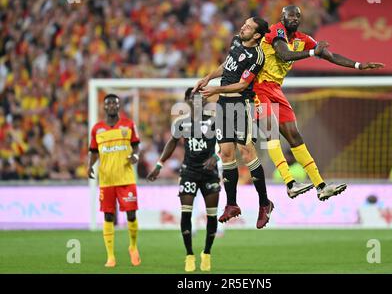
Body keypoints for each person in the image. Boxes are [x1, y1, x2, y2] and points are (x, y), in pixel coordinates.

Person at [254, 5, 385, 201]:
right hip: (258, 86)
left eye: (298, 15)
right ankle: (290, 183)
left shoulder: (302, 39)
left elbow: (329, 55)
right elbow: (284, 54)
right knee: (271, 131)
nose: (294, 18)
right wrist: (313, 53)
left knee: (295, 136)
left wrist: (358, 65)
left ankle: (321, 186)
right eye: (290, 15)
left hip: (275, 90)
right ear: (283, 16)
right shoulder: (276, 31)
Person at [194, 17, 274, 229]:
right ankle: (231, 204)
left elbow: (242, 84)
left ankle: (264, 203)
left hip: (241, 106)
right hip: (223, 106)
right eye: (244, 24)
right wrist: (208, 78)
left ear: (257, 35)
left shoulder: (258, 57)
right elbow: (227, 65)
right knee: (226, 153)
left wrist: (216, 89)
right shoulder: (236, 42)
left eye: (248, 27)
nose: (243, 27)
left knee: (247, 152)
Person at [147, 88, 221, 272]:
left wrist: (217, 157)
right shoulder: (182, 123)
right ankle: (189, 255)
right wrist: (158, 165)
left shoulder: (215, 121)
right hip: (189, 172)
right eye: (192, 98)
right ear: (187, 101)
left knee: (212, 216)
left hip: (209, 173)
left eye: (200, 97)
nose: (196, 100)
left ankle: (207, 253)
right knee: (186, 213)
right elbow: (171, 143)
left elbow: (230, 143)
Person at [88, 94, 141, 268]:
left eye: (114, 103)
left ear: (118, 106)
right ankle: (110, 256)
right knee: (108, 216)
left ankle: (133, 247)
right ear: (104, 107)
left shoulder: (128, 124)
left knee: (131, 214)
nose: (111, 106)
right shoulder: (97, 129)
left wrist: (135, 155)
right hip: (107, 179)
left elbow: (136, 145)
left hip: (126, 178)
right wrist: (90, 166)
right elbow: (94, 151)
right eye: (108, 103)